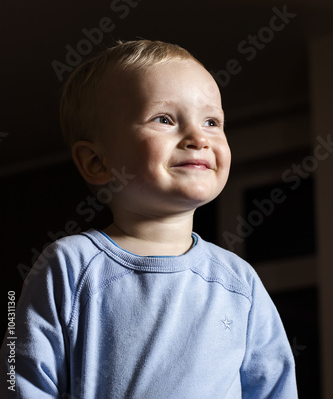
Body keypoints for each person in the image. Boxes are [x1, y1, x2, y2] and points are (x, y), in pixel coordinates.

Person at [0, 40, 298, 398]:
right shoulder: (68, 266)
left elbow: (275, 388)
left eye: (211, 121)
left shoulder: (240, 283)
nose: (198, 137)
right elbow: (20, 377)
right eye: (164, 119)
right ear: (97, 162)